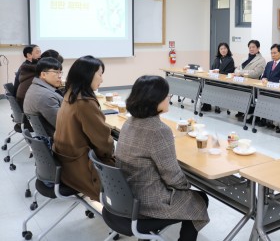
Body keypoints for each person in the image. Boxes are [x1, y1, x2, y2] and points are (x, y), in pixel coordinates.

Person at [115, 76, 209, 240]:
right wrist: (188, 185)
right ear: (154, 100)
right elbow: (172, 177)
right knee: (200, 198)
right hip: (148, 204)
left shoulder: (129, 122)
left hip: (125, 197)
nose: (169, 98)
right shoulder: (158, 130)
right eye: (166, 95)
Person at [53, 55, 114, 201]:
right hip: (82, 170)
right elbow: (104, 144)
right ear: (87, 76)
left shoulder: (70, 94)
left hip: (67, 165)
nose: (102, 79)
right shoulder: (84, 102)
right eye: (99, 74)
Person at [23, 57, 64, 138]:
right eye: (56, 72)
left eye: (60, 73)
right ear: (43, 75)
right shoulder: (46, 96)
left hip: (46, 135)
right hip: (57, 139)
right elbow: (63, 125)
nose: (60, 76)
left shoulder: (36, 87)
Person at [234, 40, 266, 120]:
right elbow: (236, 69)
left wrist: (240, 72)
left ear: (258, 48)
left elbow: (255, 73)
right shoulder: (245, 58)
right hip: (241, 83)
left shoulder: (261, 60)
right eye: (250, 47)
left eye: (253, 47)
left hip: (251, 85)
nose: (251, 49)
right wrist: (238, 72)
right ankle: (241, 110)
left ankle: (248, 112)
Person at [202, 42, 236, 113]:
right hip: (214, 79)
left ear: (227, 50)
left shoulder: (230, 60)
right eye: (221, 49)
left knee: (211, 86)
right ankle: (207, 104)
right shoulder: (217, 59)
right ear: (219, 50)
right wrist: (212, 72)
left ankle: (215, 104)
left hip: (224, 81)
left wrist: (219, 72)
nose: (223, 50)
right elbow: (212, 68)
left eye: (225, 48)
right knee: (205, 84)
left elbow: (229, 72)